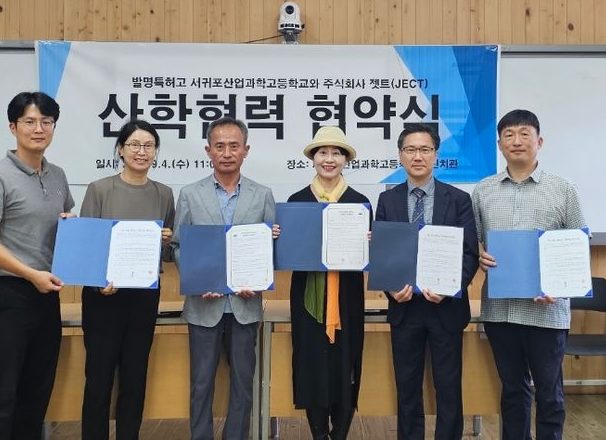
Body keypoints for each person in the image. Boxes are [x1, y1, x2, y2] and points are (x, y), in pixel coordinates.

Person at [472, 109, 587, 439]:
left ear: (539, 141)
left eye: (525, 134)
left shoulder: (563, 189)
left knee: (549, 392)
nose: (516, 141)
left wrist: (559, 286)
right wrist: (480, 255)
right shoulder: (483, 190)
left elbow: (577, 245)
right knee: (512, 389)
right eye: (508, 135)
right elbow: (476, 241)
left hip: (547, 311)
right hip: (501, 311)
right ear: (499, 144)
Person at [0, 92, 75, 439]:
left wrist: (71, 226)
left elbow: (63, 225)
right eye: (29, 121)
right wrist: (31, 274)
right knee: (0, 393)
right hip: (5, 294)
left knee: (36, 390)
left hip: (45, 295)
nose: (39, 128)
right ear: (13, 127)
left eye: (46, 121)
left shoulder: (57, 176)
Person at [170, 117, 275, 440]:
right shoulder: (190, 194)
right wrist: (198, 279)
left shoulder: (262, 194)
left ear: (246, 150)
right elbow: (178, 246)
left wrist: (259, 278)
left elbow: (269, 249)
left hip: (245, 305)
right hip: (203, 305)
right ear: (208, 151)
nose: (227, 153)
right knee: (201, 384)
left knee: (243, 383)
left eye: (234, 146)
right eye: (219, 146)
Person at [375, 123, 479, 439]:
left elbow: (470, 253)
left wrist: (449, 288)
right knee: (407, 388)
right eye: (410, 149)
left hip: (445, 308)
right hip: (405, 307)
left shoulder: (458, 199)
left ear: (436, 155)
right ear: (400, 155)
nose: (417, 156)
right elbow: (383, 252)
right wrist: (391, 288)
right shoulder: (387, 200)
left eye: (424, 149)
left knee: (448, 387)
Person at [80, 119, 175, 439]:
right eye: (134, 144)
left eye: (148, 146)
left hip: (144, 295)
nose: (141, 151)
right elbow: (88, 243)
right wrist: (98, 281)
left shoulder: (164, 194)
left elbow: (167, 253)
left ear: (156, 152)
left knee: (135, 377)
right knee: (98, 378)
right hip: (103, 294)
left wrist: (166, 240)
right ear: (120, 149)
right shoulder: (99, 189)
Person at [287, 126, 371, 440]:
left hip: (347, 295)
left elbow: (370, 257)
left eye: (337, 153)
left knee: (345, 361)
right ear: (313, 158)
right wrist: (280, 238)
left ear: (346, 159)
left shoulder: (359, 203)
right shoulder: (296, 201)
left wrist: (371, 243)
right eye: (323, 152)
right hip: (307, 296)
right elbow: (289, 253)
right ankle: (319, 433)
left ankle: (341, 434)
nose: (329, 159)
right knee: (311, 362)